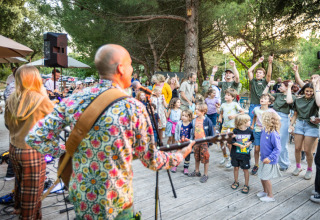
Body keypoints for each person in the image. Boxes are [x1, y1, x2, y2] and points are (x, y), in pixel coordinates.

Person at [25, 44, 194, 219]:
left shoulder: (74, 99)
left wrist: (65, 149)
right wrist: (181, 154)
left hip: (82, 197)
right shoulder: (133, 107)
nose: (131, 69)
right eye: (130, 65)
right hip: (116, 201)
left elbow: (35, 137)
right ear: (121, 68)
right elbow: (152, 160)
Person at [5, 65, 54, 219]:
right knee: (33, 192)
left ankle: (28, 213)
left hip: (14, 148)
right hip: (33, 151)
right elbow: (55, 123)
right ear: (36, 78)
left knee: (21, 186)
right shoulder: (41, 99)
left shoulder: (11, 98)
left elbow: (7, 124)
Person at [287, 80, 320, 180]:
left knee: (307, 150)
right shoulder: (298, 100)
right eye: (307, 91)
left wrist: (315, 86)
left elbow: (319, 104)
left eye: (311, 91)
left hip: (312, 125)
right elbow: (295, 114)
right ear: (303, 91)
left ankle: (309, 169)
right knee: (297, 148)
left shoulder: (315, 100)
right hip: (300, 124)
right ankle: (298, 167)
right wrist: (291, 125)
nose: (309, 93)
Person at [263, 80, 294, 171]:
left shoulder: (292, 97)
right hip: (273, 116)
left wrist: (289, 88)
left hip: (284, 119)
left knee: (282, 143)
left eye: (281, 86)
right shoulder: (277, 95)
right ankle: (274, 161)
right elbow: (264, 95)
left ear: (287, 87)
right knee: (272, 140)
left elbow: (289, 101)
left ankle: (284, 163)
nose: (279, 87)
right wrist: (268, 85)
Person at [250, 94, 278, 175]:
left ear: (269, 102)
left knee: (264, 149)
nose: (262, 99)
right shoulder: (256, 109)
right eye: (261, 98)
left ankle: (265, 163)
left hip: (267, 132)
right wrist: (252, 124)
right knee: (256, 149)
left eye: (265, 98)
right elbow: (255, 116)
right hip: (257, 131)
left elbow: (278, 120)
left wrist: (274, 128)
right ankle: (256, 164)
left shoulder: (271, 111)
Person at [257, 111, 282, 202]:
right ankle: (265, 191)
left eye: (262, 119)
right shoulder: (264, 130)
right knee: (261, 175)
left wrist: (270, 158)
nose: (260, 120)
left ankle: (271, 196)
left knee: (266, 178)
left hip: (269, 160)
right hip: (263, 158)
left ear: (267, 120)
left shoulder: (273, 133)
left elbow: (278, 149)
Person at [218, 88, 244, 168]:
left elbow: (242, 112)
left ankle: (231, 158)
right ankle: (225, 156)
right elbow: (221, 113)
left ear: (233, 97)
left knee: (229, 144)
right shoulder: (223, 105)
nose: (226, 96)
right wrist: (220, 117)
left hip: (232, 127)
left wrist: (234, 116)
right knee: (221, 141)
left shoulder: (235, 104)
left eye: (228, 95)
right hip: (224, 126)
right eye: (226, 94)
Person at [188, 103, 214, 183]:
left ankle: (205, 174)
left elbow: (211, 132)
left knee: (205, 158)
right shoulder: (194, 120)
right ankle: (197, 171)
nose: (196, 111)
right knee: (196, 157)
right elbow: (191, 130)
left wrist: (210, 142)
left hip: (204, 143)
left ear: (203, 111)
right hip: (196, 142)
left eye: (198, 110)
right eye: (196, 109)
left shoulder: (207, 120)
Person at [231, 114, 254, 194]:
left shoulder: (250, 131)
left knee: (245, 169)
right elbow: (231, 141)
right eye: (248, 121)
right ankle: (236, 181)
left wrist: (249, 143)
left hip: (245, 155)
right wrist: (239, 145)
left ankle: (246, 185)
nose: (250, 122)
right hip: (235, 154)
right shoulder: (235, 131)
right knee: (236, 168)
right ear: (242, 122)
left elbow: (252, 139)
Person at [247, 55, 273, 121]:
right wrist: (258, 62)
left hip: (263, 105)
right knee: (251, 123)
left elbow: (269, 75)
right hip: (253, 105)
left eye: (260, 73)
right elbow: (249, 71)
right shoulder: (253, 81)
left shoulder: (265, 81)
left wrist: (270, 63)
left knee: (263, 123)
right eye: (257, 73)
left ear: (263, 75)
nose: (258, 74)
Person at [172, 109, 193, 175]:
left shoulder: (191, 125)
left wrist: (191, 141)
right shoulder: (179, 123)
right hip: (180, 142)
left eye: (186, 116)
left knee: (187, 156)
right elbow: (176, 131)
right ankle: (175, 166)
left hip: (187, 143)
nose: (183, 117)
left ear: (189, 117)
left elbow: (192, 134)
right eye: (183, 115)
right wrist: (176, 139)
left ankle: (186, 168)